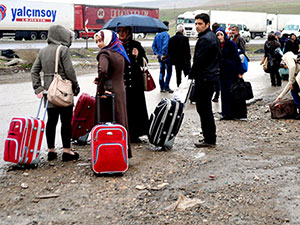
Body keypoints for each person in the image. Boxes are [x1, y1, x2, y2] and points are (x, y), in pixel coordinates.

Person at [31, 25, 80, 162]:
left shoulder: (43, 51)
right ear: (61, 35)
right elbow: (70, 71)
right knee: (66, 121)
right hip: (63, 92)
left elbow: (34, 71)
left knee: (51, 122)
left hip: (49, 93)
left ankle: (51, 151)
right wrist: (76, 87)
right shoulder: (63, 49)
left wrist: (38, 88)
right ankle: (66, 151)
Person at [94, 29, 132, 158]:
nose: (99, 44)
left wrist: (100, 89)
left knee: (107, 121)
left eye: (100, 40)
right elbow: (114, 71)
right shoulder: (118, 51)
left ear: (107, 39)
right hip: (120, 88)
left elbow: (103, 71)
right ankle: (123, 152)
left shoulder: (104, 53)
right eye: (97, 41)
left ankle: (108, 154)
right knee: (121, 119)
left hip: (109, 90)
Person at [190, 13, 221, 148]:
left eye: (200, 24)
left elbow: (198, 60)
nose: (197, 26)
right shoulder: (212, 37)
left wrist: (192, 74)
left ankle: (209, 139)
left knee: (203, 108)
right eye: (196, 23)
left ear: (207, 24)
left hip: (204, 77)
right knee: (205, 108)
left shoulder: (205, 39)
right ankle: (209, 137)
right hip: (210, 76)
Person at [117, 26, 149, 143]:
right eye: (119, 31)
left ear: (129, 33)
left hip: (135, 83)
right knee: (123, 108)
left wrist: (138, 56)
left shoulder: (136, 44)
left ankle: (135, 133)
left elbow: (145, 61)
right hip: (122, 81)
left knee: (136, 108)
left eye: (124, 31)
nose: (121, 34)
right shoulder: (116, 45)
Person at [215, 27, 246, 120]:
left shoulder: (231, 44)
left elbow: (237, 58)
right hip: (222, 73)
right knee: (224, 93)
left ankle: (238, 114)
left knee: (234, 92)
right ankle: (226, 114)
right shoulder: (216, 45)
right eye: (218, 35)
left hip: (232, 72)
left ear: (224, 35)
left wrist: (240, 71)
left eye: (221, 35)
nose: (220, 37)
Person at [152, 21, 173, 93]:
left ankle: (161, 87)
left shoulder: (157, 35)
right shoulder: (166, 35)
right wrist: (164, 54)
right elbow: (166, 45)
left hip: (159, 57)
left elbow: (153, 46)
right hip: (166, 57)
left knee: (161, 72)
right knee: (169, 72)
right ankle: (166, 86)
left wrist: (157, 54)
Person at [211, 22, 221, 102]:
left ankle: (215, 95)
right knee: (217, 82)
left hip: (212, 64)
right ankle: (217, 95)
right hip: (218, 64)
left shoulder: (211, 37)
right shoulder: (219, 38)